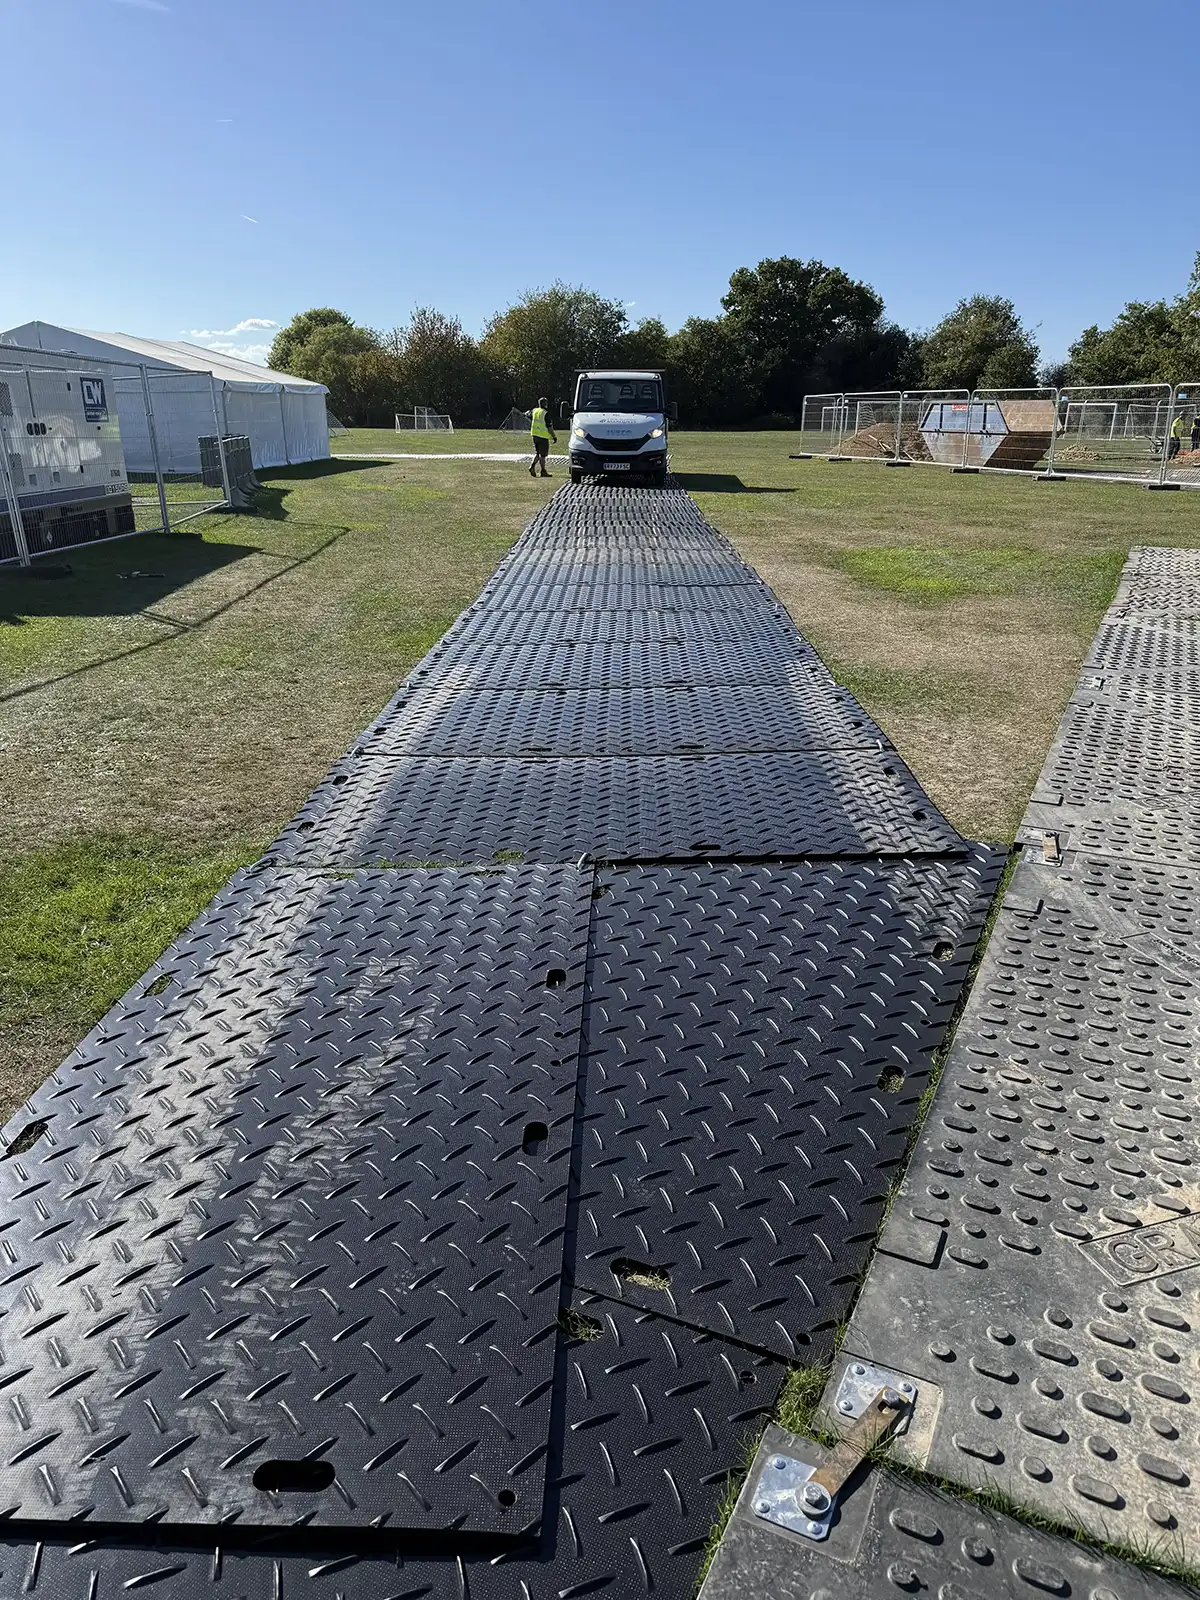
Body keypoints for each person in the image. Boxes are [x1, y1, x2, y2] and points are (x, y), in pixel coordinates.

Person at [529, 397, 557, 478]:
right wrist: (554, 436)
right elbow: (549, 427)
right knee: (543, 455)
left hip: (535, 435)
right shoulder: (545, 413)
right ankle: (543, 471)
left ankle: (532, 466)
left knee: (537, 453)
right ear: (545, 404)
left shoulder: (535, 411)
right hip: (543, 437)